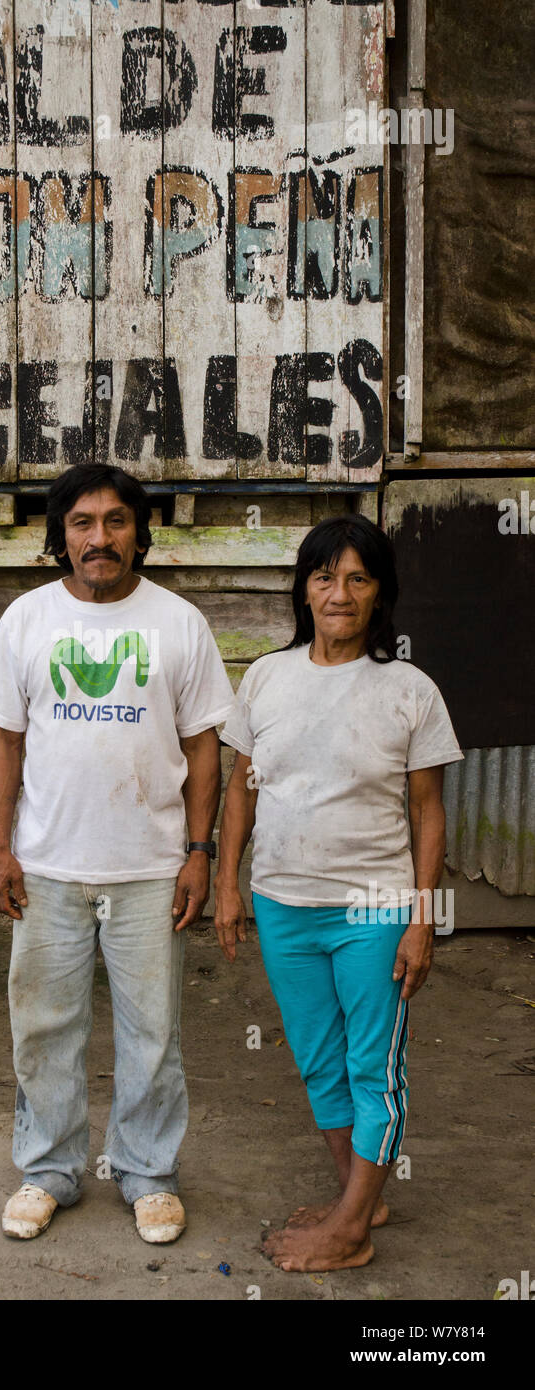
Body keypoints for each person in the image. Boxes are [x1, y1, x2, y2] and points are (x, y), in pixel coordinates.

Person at [0, 464, 234, 1244]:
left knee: (153, 1031)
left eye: (117, 522)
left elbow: (203, 748)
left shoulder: (178, 622)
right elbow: (3, 741)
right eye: (82, 523)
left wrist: (199, 854)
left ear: (139, 533)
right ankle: (49, 1168)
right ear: (61, 537)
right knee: (45, 1025)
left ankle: (147, 1173)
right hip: (48, 863)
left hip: (151, 868)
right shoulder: (26, 619)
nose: (99, 537)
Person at [214, 514, 464, 1272]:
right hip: (284, 902)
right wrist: (228, 884)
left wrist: (421, 920)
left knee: (371, 1066)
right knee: (319, 1061)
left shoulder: (408, 690)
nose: (339, 592)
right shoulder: (266, 676)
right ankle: (364, 1196)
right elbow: (242, 791)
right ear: (305, 589)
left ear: (380, 593)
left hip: (374, 910)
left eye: (358, 577)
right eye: (325, 577)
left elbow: (427, 812)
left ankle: (350, 1230)